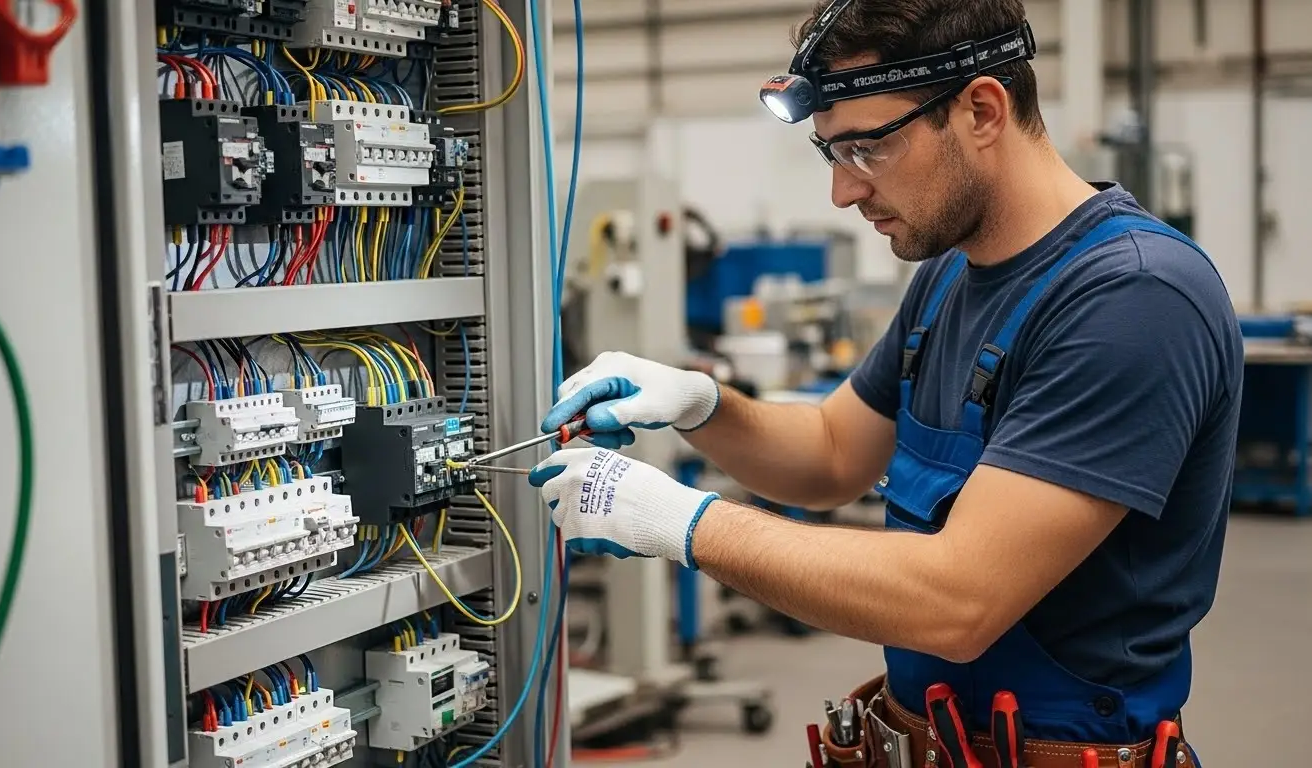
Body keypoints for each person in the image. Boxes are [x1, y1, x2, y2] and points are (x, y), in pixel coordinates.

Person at [529, 0, 1241, 765]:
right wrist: (699, 404)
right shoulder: (948, 276)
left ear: (980, 109)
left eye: (865, 149)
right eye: (828, 153)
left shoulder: (1132, 298)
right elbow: (833, 452)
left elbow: (955, 600)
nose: (841, 191)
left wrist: (682, 522)